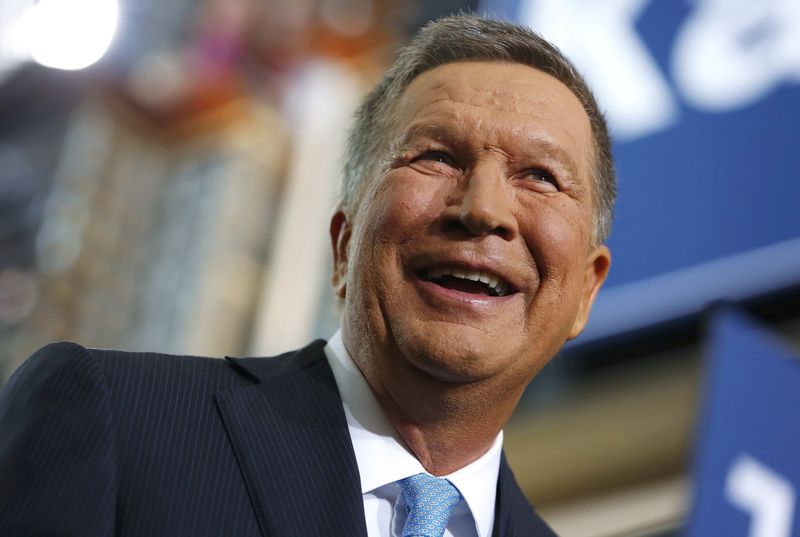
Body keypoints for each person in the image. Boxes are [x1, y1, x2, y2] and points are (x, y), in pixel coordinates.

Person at [0, 14, 614, 537]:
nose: (482, 209)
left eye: (540, 176)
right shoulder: (117, 420)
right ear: (343, 245)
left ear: (586, 291)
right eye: (435, 156)